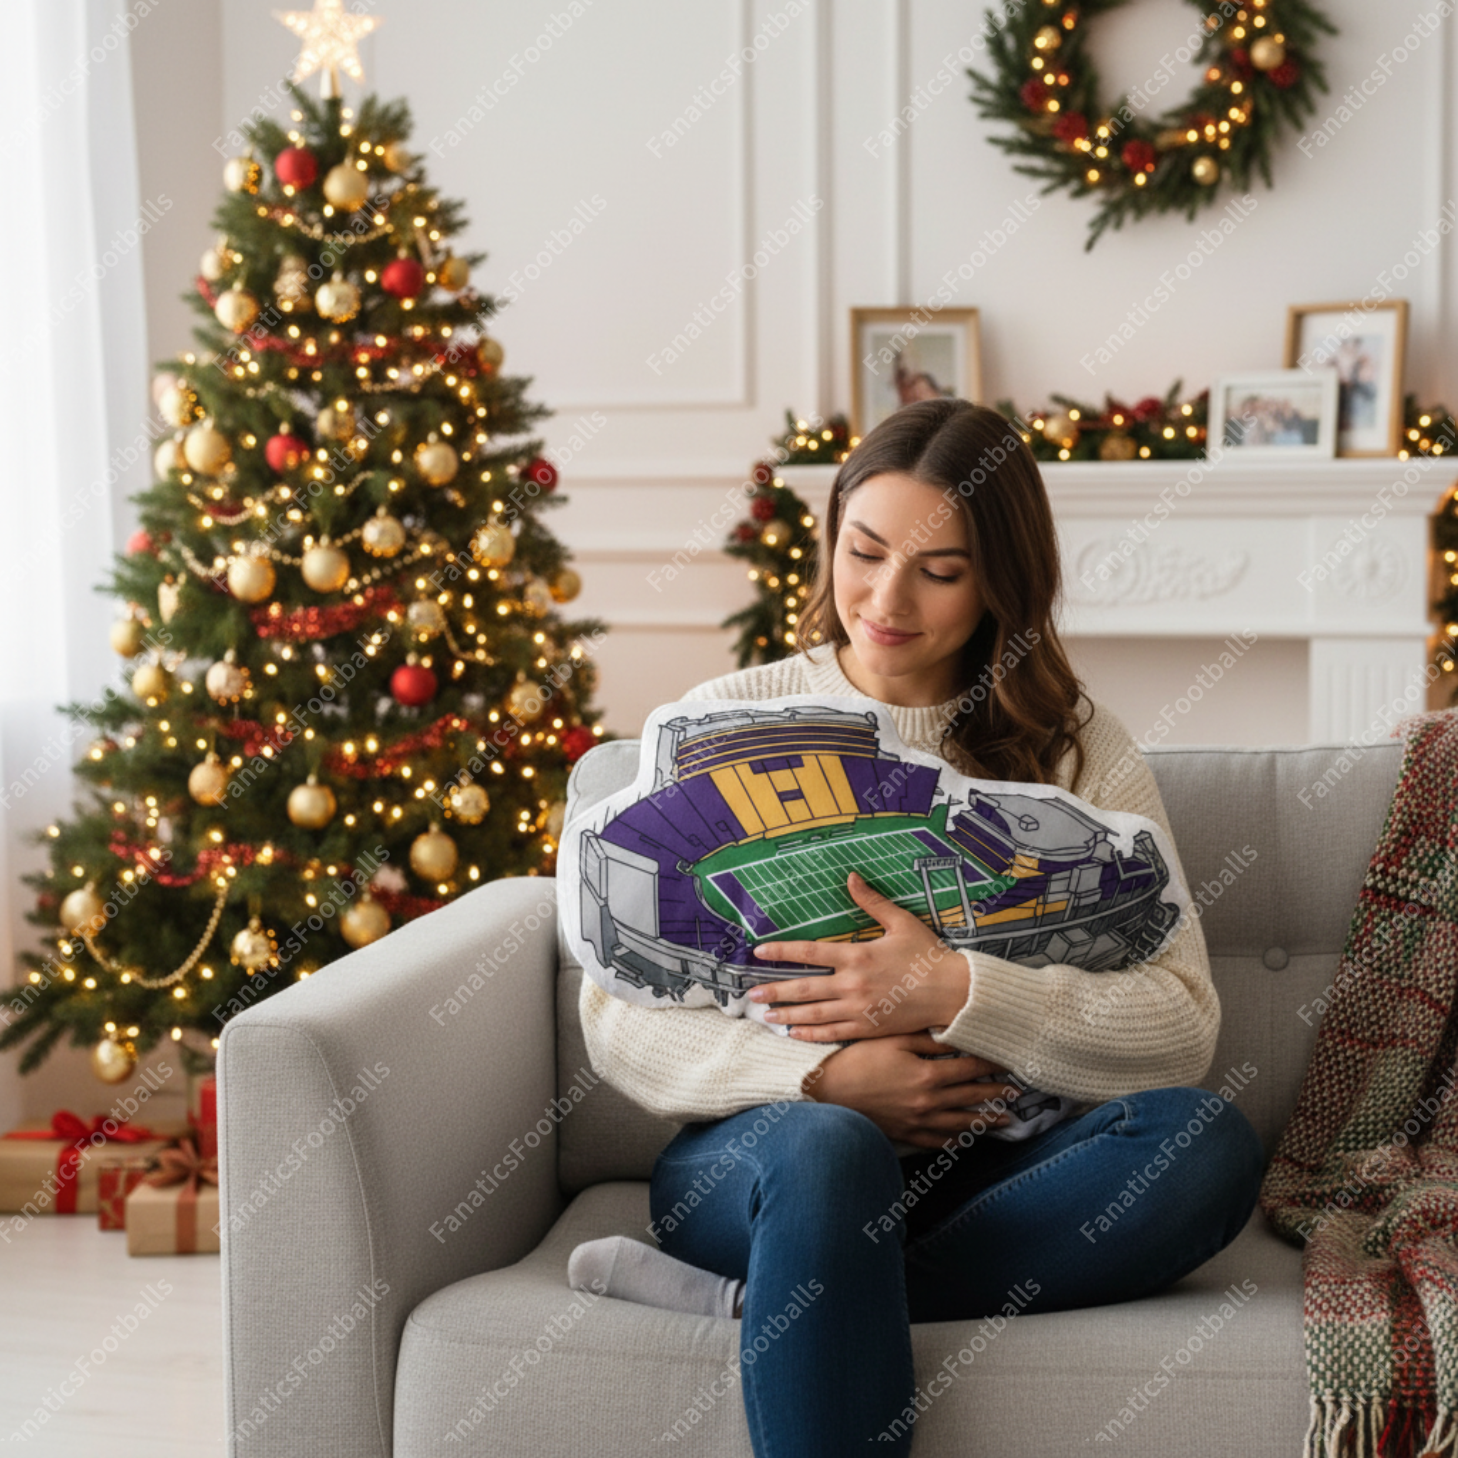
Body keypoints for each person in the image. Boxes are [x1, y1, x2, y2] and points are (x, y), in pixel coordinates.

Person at [570, 398, 1265, 1456]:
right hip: (772, 1163)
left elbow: (1181, 1026)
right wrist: (818, 1081)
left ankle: (789, 1304)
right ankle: (809, 1265)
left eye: (939, 572)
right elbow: (615, 1012)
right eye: (864, 552)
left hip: (1000, 1173)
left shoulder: (1077, 749)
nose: (885, 600)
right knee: (829, 1152)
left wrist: (960, 991)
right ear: (831, 535)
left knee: (1204, 1146)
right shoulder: (727, 717)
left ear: (1000, 584)